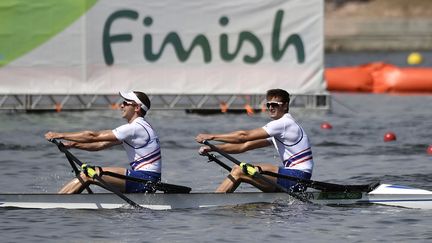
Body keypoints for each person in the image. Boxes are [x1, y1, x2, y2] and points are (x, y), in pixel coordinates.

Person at [195, 88, 313, 193]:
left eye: (275, 104)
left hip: (297, 177)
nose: (271, 108)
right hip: (295, 178)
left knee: (239, 170)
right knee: (240, 169)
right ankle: (221, 200)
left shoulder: (283, 124)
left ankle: (214, 202)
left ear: (285, 106)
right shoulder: (281, 129)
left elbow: (243, 136)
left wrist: (212, 137)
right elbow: (244, 146)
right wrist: (213, 148)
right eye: (269, 104)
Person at [45, 91, 162, 194]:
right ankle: (63, 201)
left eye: (126, 103)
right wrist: (73, 145)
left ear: (137, 108)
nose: (121, 105)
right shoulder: (139, 127)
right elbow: (100, 145)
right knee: (89, 173)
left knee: (88, 174)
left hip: (145, 180)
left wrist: (60, 135)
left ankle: (56, 204)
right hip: (146, 180)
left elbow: (93, 136)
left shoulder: (135, 127)